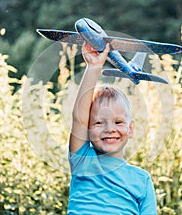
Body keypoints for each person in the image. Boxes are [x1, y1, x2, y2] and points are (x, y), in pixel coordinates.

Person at [67, 43, 157, 215]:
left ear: (130, 129)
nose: (110, 129)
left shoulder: (141, 180)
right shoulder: (83, 160)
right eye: (99, 123)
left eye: (118, 122)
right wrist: (94, 67)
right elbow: (78, 118)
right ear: (87, 128)